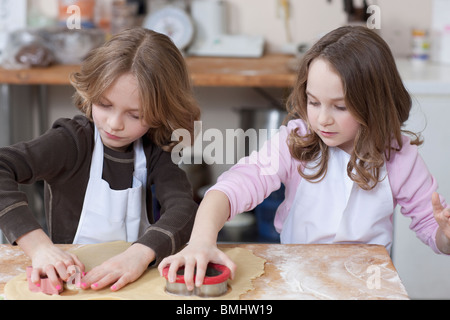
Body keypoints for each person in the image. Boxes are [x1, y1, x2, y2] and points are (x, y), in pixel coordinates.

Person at [159, 25, 450, 291]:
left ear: (373, 104)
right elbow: (235, 186)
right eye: (313, 102)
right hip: (297, 278)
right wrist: (200, 241)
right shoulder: (297, 141)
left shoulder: (399, 155)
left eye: (340, 107)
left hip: (367, 284)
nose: (322, 119)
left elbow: (431, 228)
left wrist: (446, 236)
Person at [0, 28, 200, 292]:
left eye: (135, 115)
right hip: (72, 282)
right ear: (90, 91)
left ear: (161, 113)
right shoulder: (71, 142)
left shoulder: (153, 151)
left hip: (133, 281)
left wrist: (139, 255)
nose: (114, 124)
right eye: (105, 105)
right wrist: (40, 248)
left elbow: (184, 208)